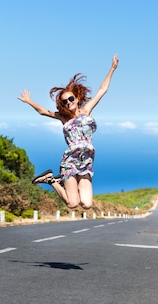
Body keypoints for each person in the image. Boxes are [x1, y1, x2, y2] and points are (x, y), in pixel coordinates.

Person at [18, 54, 119, 209]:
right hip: (70, 161)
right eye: (64, 102)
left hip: (86, 161)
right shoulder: (64, 118)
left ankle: (57, 180)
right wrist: (29, 101)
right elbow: (44, 111)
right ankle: (51, 180)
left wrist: (112, 69)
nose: (68, 102)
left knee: (86, 204)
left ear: (77, 98)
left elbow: (102, 90)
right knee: (72, 203)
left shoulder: (86, 110)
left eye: (71, 99)